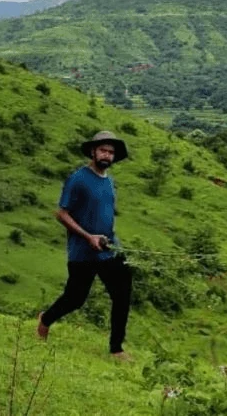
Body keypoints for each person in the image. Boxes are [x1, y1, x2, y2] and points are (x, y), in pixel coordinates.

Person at [37, 131, 133, 360]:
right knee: (75, 298)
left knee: (122, 293)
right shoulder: (78, 179)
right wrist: (88, 236)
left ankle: (116, 348)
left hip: (109, 249)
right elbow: (61, 214)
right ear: (93, 151)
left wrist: (109, 240)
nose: (107, 155)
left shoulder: (109, 181)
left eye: (111, 152)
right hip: (83, 251)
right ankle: (45, 319)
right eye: (103, 150)